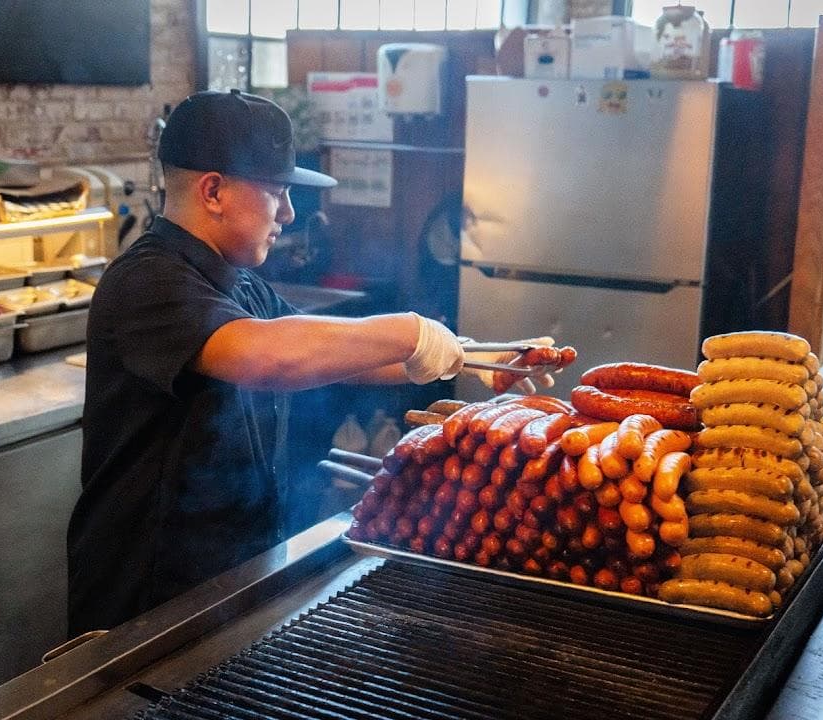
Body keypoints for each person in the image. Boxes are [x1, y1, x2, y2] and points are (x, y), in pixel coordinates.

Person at [67, 89, 555, 636]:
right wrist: (409, 329)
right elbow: (269, 357)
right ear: (213, 191)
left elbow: (335, 357)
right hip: (144, 601)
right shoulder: (148, 280)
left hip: (220, 583)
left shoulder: (237, 282)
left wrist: (466, 358)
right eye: (277, 193)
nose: (290, 214)